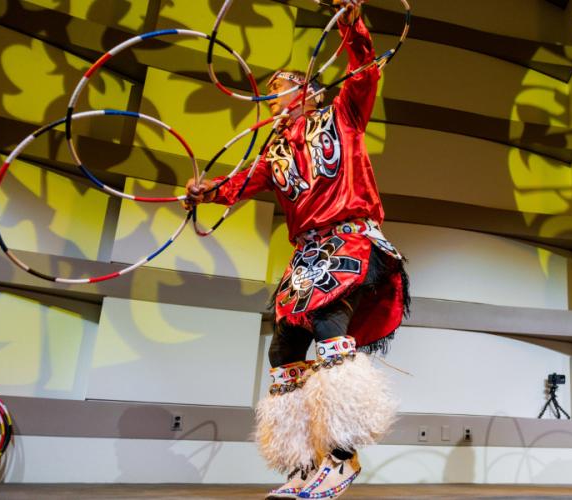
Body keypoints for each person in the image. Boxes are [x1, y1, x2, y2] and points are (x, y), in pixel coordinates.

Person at [184, 1, 407, 497]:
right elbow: (237, 184)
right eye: (273, 94)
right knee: (284, 348)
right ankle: (305, 462)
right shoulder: (274, 152)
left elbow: (363, 69)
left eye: (285, 89)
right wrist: (205, 192)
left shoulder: (344, 116)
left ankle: (344, 458)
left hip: (349, 238)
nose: (277, 98)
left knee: (330, 327)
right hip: (306, 254)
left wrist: (351, 23)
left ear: (310, 91)